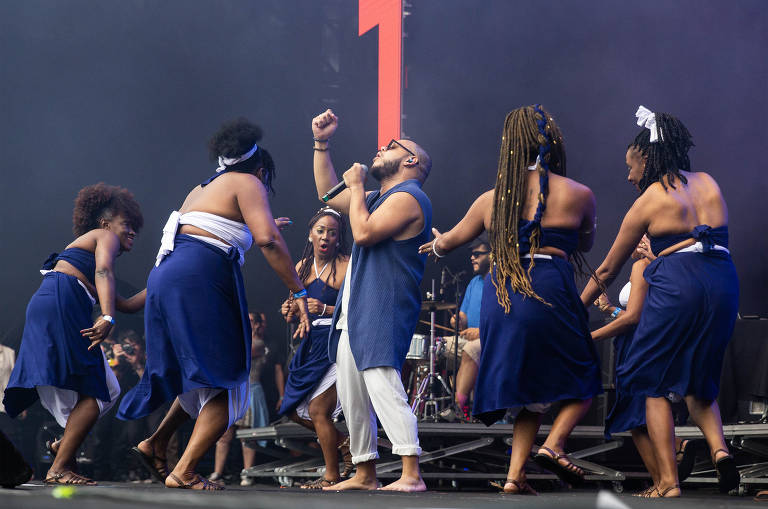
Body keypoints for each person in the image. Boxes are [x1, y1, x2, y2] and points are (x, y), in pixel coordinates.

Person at [117, 118, 310, 491]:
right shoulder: (248, 181)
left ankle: (155, 442)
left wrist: (129, 304)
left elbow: (206, 237)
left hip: (169, 277)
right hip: (199, 280)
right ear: (259, 167)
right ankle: (185, 470)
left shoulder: (201, 188)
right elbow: (268, 240)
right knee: (228, 378)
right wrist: (298, 291)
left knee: (202, 375)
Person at [419, 105, 602, 494]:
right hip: (550, 286)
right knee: (585, 376)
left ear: (511, 146)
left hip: (502, 295)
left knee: (526, 393)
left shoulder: (493, 199)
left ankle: (514, 478)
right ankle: (553, 445)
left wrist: (435, 244)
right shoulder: (581, 194)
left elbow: (449, 242)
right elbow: (584, 242)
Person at [581, 107, 740, 498]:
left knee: (647, 382)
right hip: (723, 279)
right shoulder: (708, 182)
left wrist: (573, 311)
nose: (629, 175)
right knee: (699, 376)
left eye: (631, 166)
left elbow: (606, 270)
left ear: (648, 158)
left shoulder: (650, 199)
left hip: (679, 283)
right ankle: (719, 450)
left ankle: (668, 482)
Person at [311, 109, 431, 492]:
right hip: (356, 309)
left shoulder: (410, 198)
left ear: (411, 160)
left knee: (381, 381)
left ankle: (411, 473)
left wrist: (358, 186)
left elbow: (361, 233)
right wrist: (322, 143)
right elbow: (326, 192)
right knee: (351, 390)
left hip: (383, 306)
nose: (381, 148)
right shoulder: (379, 197)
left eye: (391, 146)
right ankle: (364, 472)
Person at [2, 183, 146, 485]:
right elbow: (104, 274)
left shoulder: (91, 261)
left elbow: (130, 304)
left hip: (56, 306)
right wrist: (106, 315)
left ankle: (62, 446)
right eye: (127, 224)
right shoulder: (104, 238)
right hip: (59, 305)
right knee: (95, 391)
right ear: (106, 223)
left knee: (109, 388)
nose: (132, 232)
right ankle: (59, 468)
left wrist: (165, 275)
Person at [279, 206, 351, 488]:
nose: (325, 237)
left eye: (332, 233)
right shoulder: (300, 268)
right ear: (310, 235)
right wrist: (289, 309)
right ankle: (344, 444)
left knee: (319, 410)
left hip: (337, 341)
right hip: (310, 344)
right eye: (320, 231)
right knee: (293, 409)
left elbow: (357, 309)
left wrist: (324, 307)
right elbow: (294, 311)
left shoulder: (347, 264)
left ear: (338, 238)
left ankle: (331, 476)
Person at [210, 311, 269, 487]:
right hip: (233, 392)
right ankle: (217, 472)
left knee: (246, 435)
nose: (246, 322)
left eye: (250, 320)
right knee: (223, 435)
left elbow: (238, 356)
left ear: (257, 325)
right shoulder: (237, 341)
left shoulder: (258, 343)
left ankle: (247, 473)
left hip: (249, 391)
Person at [449, 234, 491, 420]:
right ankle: (419, 409)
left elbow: (509, 321)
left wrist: (482, 331)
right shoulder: (474, 283)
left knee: (471, 349)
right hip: (469, 337)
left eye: (477, 254)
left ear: (493, 254)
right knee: (433, 348)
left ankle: (457, 409)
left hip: (492, 340)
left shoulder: (502, 282)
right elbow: (464, 317)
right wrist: (459, 320)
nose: (472, 257)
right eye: (471, 254)